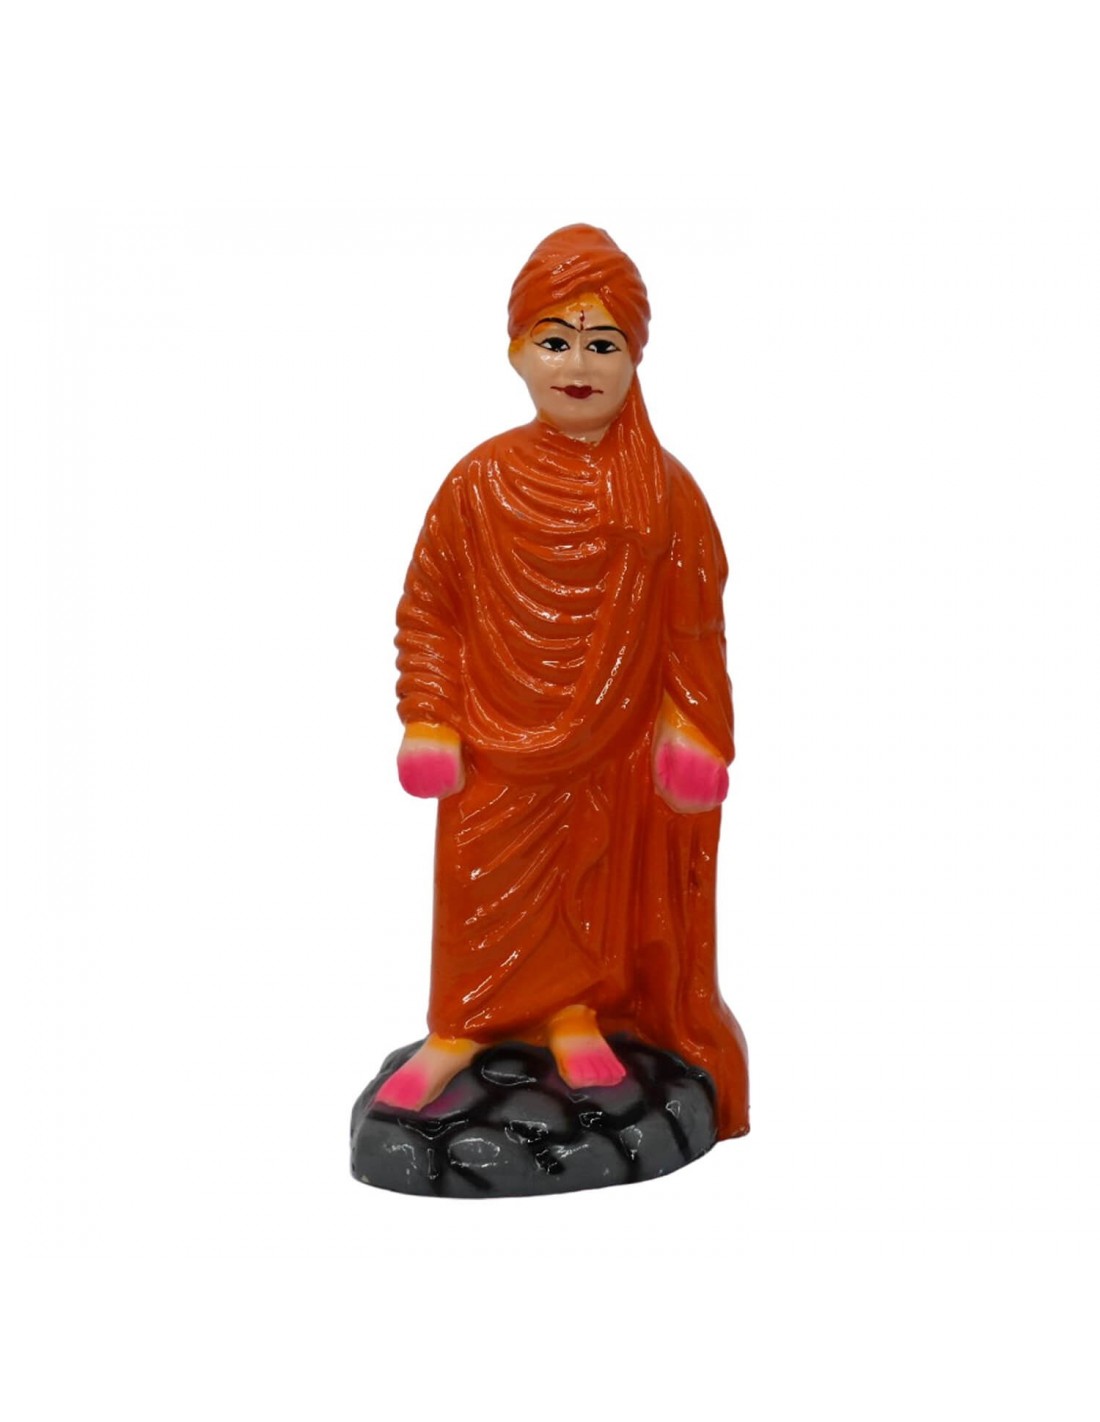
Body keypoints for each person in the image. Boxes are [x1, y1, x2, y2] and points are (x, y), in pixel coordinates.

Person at [376, 225, 749, 1139]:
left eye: (602, 343)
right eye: (555, 339)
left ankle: (576, 1014)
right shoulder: (477, 485)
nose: (577, 365)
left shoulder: (663, 494)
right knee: (477, 884)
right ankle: (458, 1029)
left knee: (593, 883)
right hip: (493, 745)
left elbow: (695, 628)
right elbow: (429, 612)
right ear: (515, 351)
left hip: (608, 745)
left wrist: (692, 728)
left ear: (635, 358)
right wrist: (429, 717)